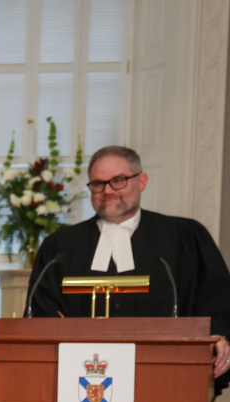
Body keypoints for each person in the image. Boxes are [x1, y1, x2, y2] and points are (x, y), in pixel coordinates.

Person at [26, 145, 230, 388]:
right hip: (80, 381)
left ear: (141, 181)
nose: (108, 191)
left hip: (167, 380)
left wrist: (217, 333)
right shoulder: (60, 247)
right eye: (98, 184)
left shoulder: (183, 236)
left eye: (118, 181)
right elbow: (41, 311)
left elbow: (216, 294)